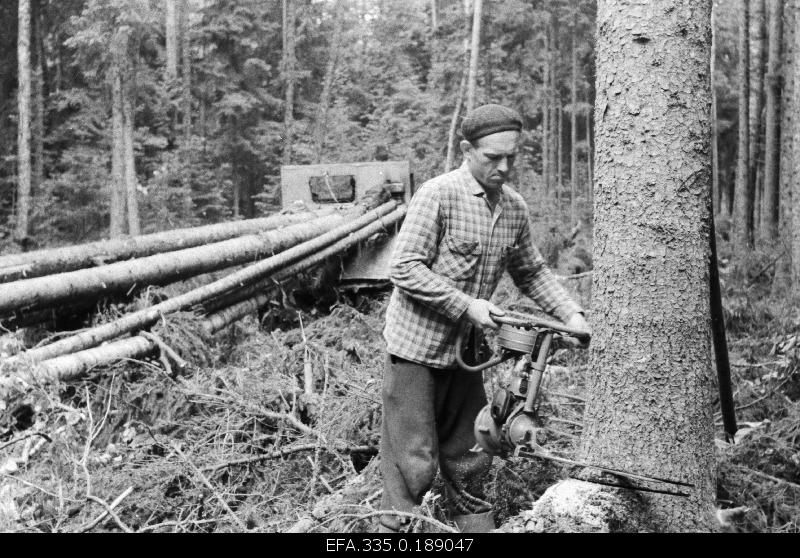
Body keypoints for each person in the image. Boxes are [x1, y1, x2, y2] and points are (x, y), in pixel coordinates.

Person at [378, 103, 590, 533]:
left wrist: (572, 314)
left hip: (466, 356)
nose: (504, 167)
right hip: (415, 352)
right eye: (493, 157)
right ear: (466, 150)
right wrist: (466, 304)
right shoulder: (439, 194)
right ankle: (389, 533)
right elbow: (403, 267)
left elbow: (531, 270)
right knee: (413, 464)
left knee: (474, 456)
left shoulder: (513, 208)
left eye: (511, 156)